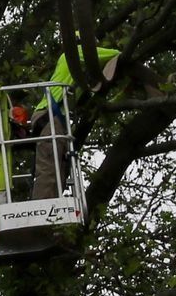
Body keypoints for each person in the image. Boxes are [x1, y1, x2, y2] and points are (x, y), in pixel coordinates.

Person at [20, 46, 120, 200]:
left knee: (58, 170)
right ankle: (44, 209)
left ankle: (52, 209)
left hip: (52, 119)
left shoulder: (78, 82)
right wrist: (128, 57)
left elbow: (98, 104)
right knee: (49, 168)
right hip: (50, 117)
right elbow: (114, 53)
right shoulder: (74, 51)